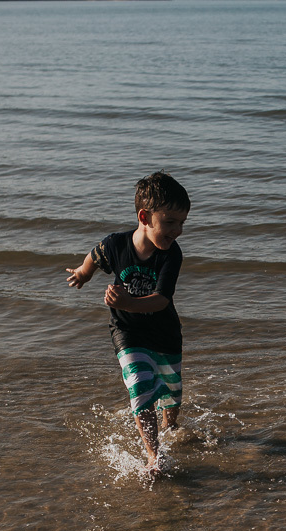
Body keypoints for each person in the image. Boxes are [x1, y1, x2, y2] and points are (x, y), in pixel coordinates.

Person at [66, 172, 190, 474]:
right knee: (140, 388)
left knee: (172, 395)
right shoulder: (116, 245)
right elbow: (95, 256)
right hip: (127, 332)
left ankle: (170, 426)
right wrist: (83, 273)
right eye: (171, 222)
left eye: (182, 223)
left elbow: (161, 299)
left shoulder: (170, 255)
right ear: (144, 216)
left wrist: (127, 302)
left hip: (164, 333)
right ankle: (153, 454)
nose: (178, 230)